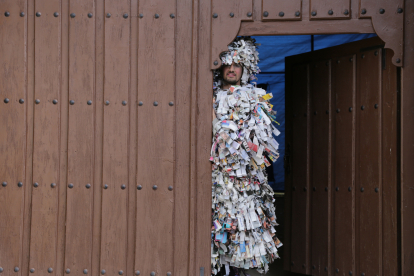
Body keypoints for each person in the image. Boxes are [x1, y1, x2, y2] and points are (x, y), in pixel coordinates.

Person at [210, 37, 282, 276]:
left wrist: (221, 132)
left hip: (245, 187)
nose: (231, 69)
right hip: (213, 184)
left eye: (237, 64)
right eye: (227, 63)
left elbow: (261, 149)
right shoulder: (206, 98)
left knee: (241, 242)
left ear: (246, 66)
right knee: (214, 241)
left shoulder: (257, 98)